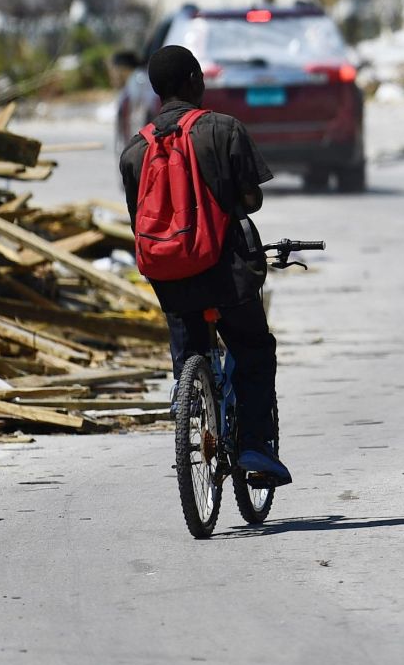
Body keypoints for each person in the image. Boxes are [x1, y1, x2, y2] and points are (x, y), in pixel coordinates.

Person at [119, 44, 292, 487]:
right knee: (253, 351)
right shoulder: (223, 129)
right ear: (195, 79)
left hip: (171, 278)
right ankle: (254, 445)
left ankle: (189, 398)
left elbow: (139, 219)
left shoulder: (135, 151)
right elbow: (251, 199)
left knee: (189, 342)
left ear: (156, 92)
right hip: (226, 272)